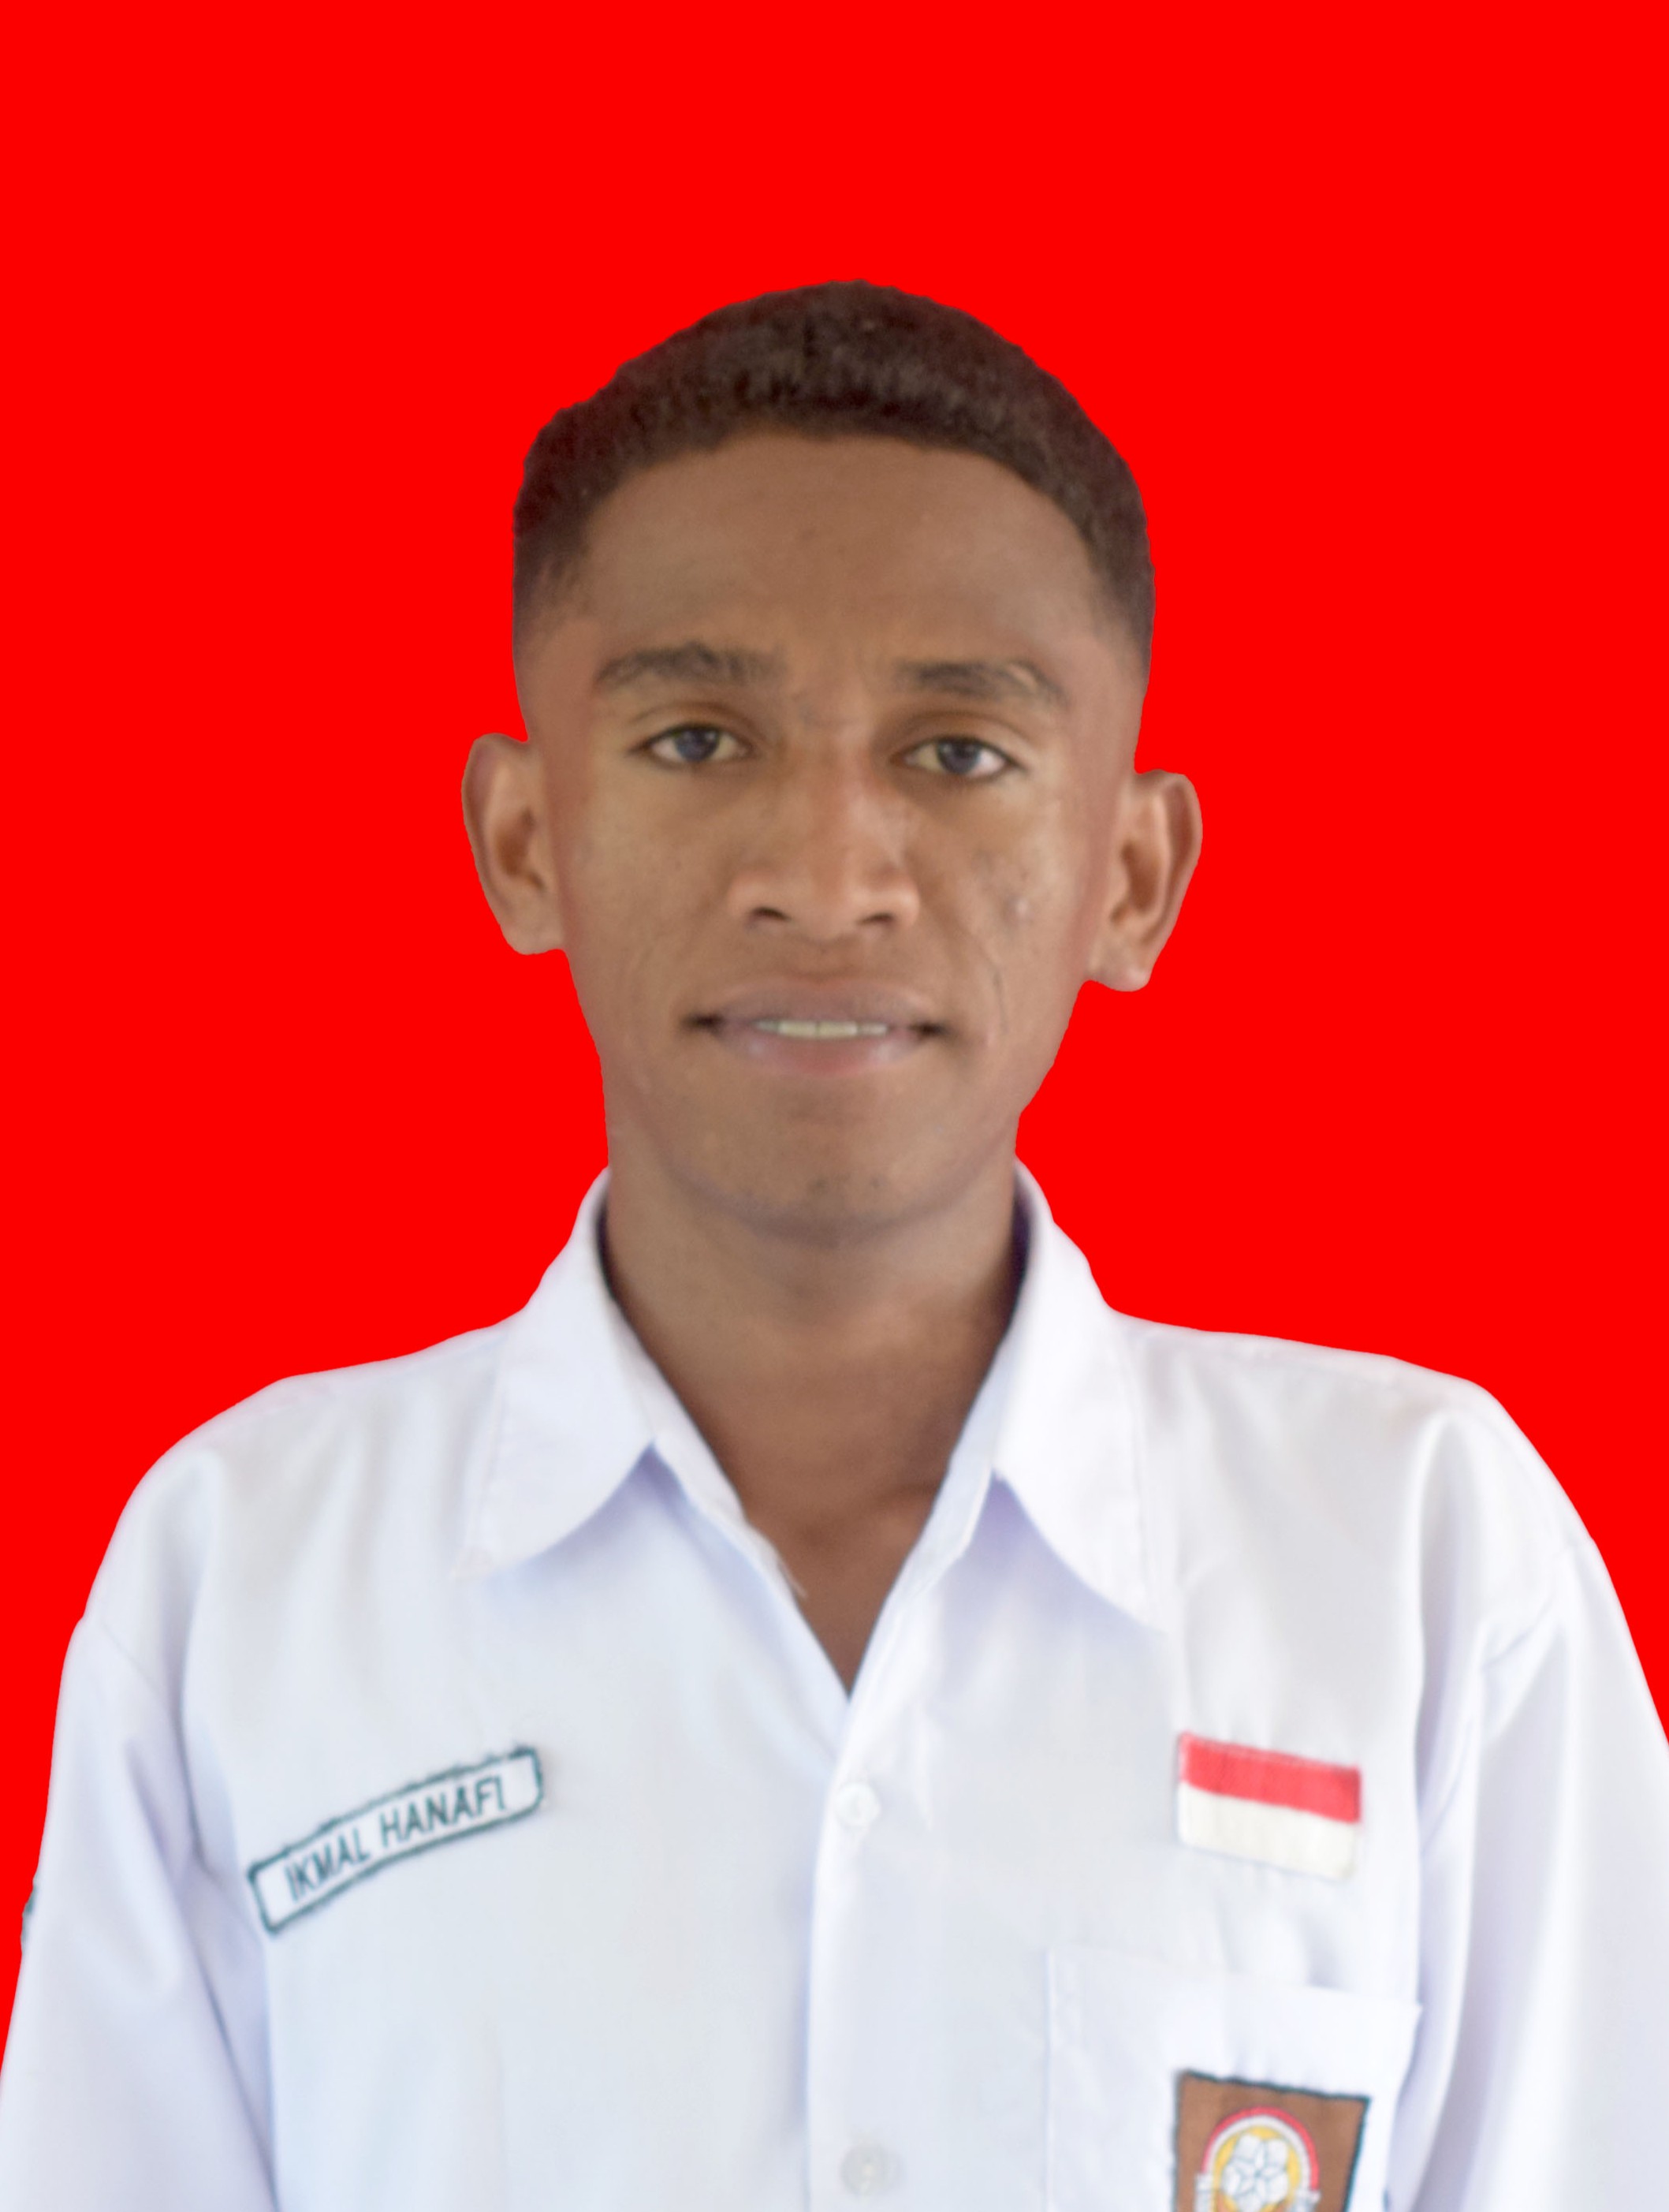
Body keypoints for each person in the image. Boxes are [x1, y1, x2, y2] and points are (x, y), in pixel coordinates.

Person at [1, 282, 1664, 2212]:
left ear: (1133, 876)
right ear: (525, 840)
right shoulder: (246, 1577)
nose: (826, 874)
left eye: (958, 752)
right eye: (699, 736)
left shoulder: (1421, 1559)